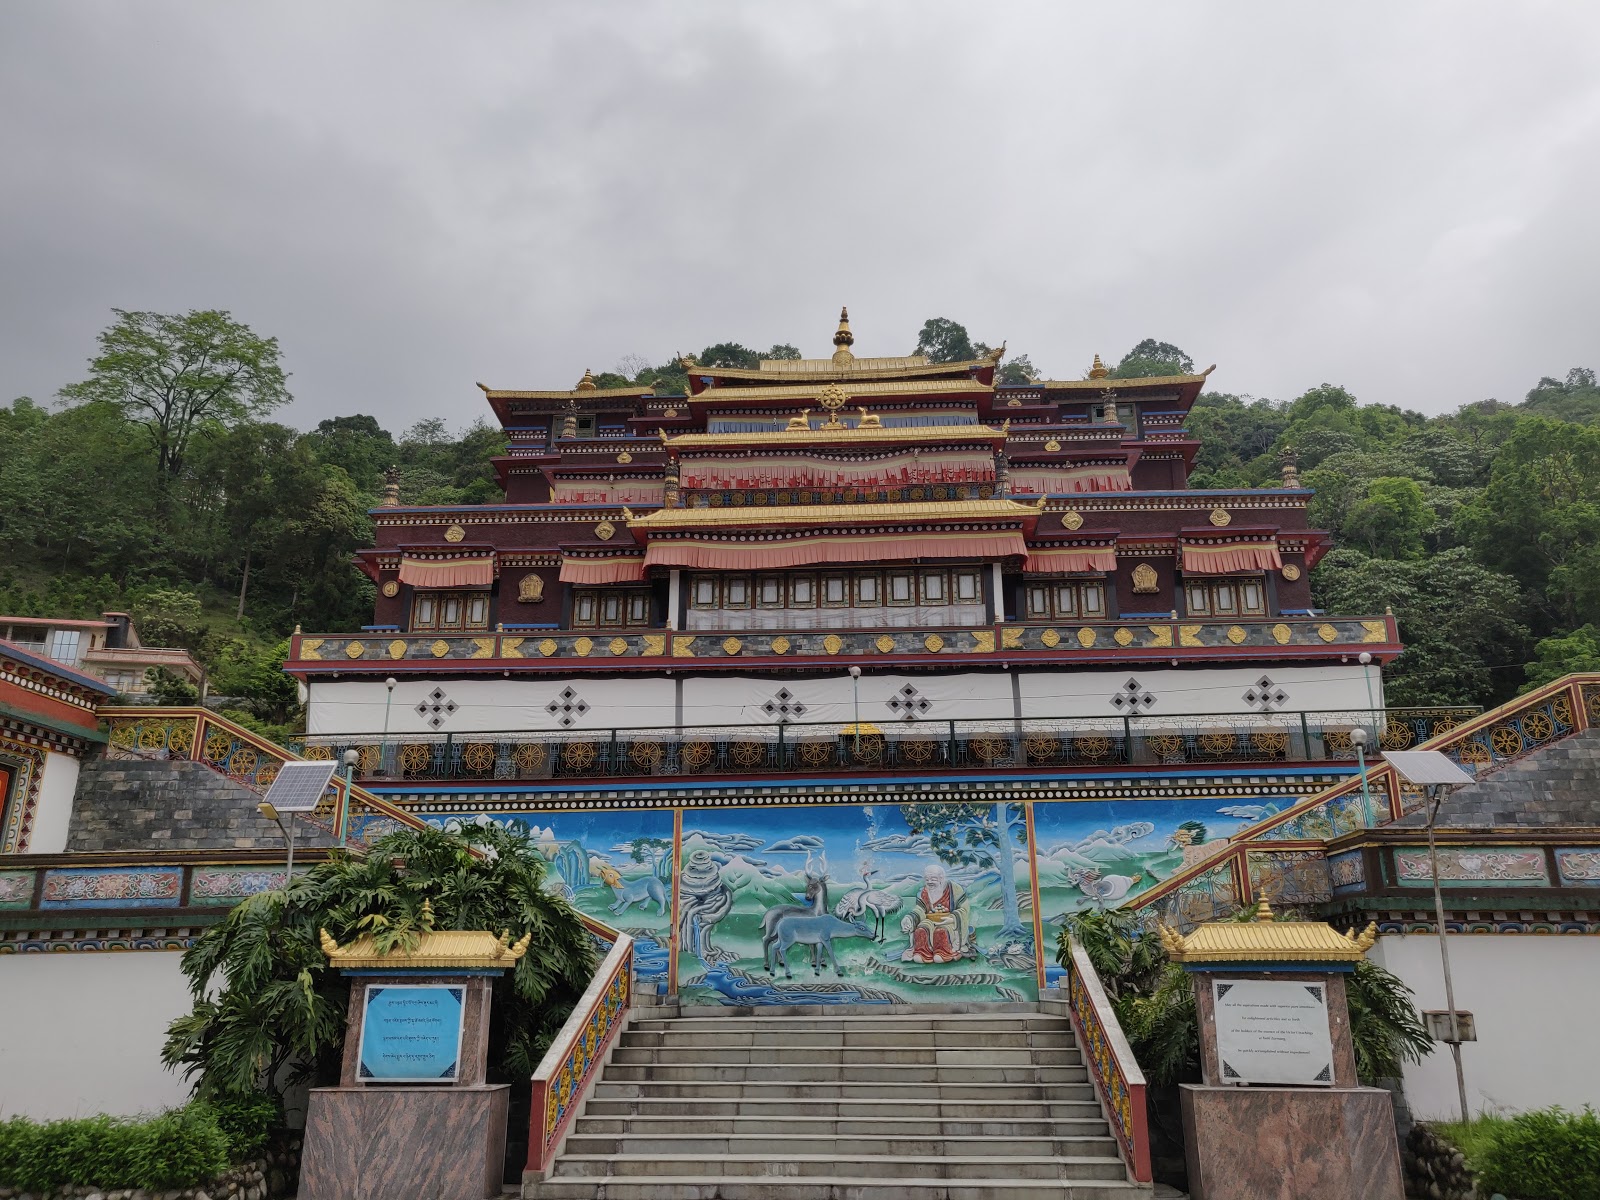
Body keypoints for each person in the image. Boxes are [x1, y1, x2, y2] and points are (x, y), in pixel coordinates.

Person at [899, 863, 969, 964]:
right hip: (929, 921)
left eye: (933, 879)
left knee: (940, 931)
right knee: (920, 930)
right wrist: (910, 918)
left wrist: (953, 918)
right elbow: (920, 910)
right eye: (927, 879)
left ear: (941, 878)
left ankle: (944, 953)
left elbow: (964, 909)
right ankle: (923, 953)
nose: (929, 882)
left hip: (949, 922)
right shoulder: (923, 892)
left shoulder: (954, 889)